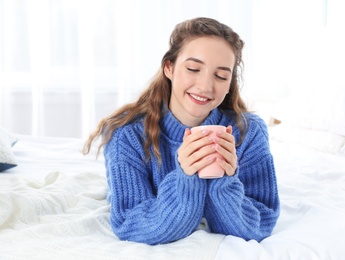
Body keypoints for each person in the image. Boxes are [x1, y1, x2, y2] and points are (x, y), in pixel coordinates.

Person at [83, 17, 280, 245]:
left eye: (221, 76)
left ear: (230, 84)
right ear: (169, 67)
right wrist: (185, 179)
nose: (206, 86)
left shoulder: (249, 132)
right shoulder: (126, 135)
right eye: (193, 69)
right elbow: (131, 225)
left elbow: (260, 223)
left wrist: (224, 181)